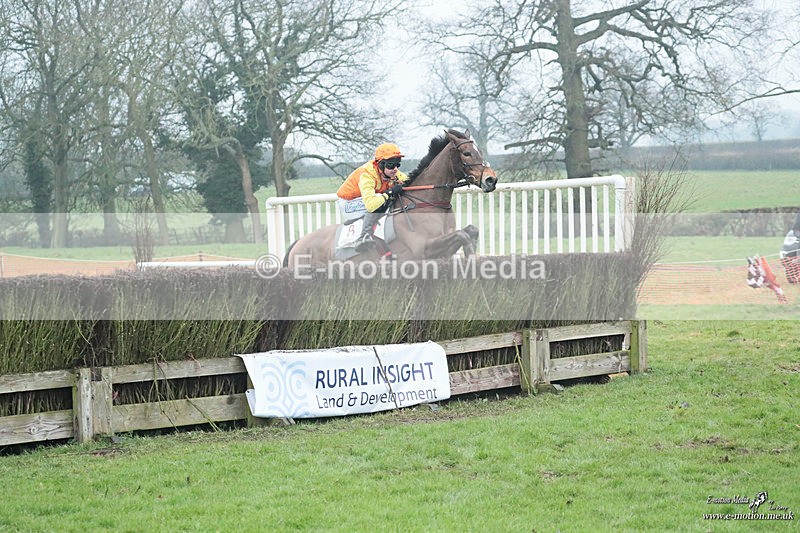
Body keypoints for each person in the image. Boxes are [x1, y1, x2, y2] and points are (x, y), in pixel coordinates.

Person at [336, 143, 409, 251]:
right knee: (380, 200)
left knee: (386, 200)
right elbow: (370, 205)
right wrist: (389, 193)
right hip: (348, 204)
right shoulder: (367, 174)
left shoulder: (393, 172)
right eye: (391, 165)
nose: (395, 169)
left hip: (366, 199)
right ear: (381, 164)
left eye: (398, 165)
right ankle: (363, 237)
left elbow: (409, 181)